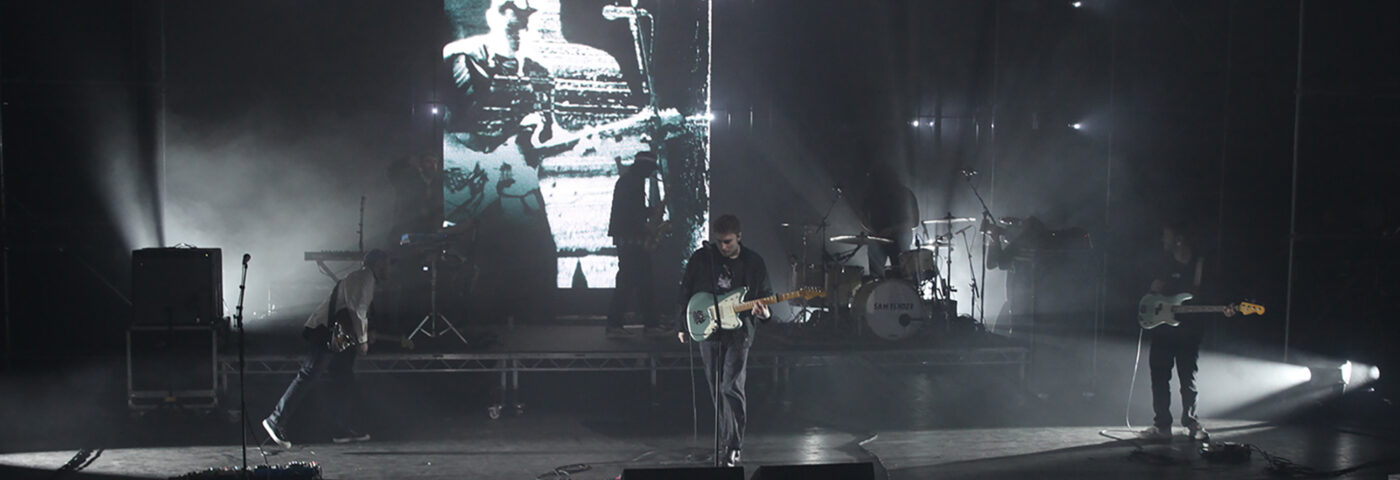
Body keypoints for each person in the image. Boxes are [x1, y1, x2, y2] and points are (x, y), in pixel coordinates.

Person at [262, 250, 390, 448]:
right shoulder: (365, 277)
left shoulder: (363, 278)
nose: (388, 268)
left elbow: (354, 309)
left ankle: (341, 429)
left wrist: (362, 334)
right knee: (309, 374)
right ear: (378, 263)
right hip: (327, 332)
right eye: (386, 263)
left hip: (336, 335)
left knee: (342, 378)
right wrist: (363, 339)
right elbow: (357, 309)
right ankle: (275, 420)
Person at [676, 214, 772, 467]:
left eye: (728, 242)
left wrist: (764, 312)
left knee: (731, 386)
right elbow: (685, 291)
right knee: (715, 387)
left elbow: (766, 296)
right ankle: (725, 441)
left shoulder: (754, 263)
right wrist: (682, 325)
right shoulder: (702, 258)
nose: (723, 247)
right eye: (719, 242)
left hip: (740, 333)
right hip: (709, 330)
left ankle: (733, 445)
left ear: (739, 237)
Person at [1139, 222, 1233, 442]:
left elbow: (1214, 293)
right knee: (1160, 377)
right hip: (1162, 331)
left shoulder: (1201, 266)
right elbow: (1151, 295)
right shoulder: (1162, 263)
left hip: (1190, 331)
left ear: (1179, 239)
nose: (1163, 240)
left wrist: (1226, 308)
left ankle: (1190, 421)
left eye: (1167, 236)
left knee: (1187, 379)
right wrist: (1152, 297)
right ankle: (1162, 425)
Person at [606, 151, 666, 337]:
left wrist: (650, 212)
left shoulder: (631, 180)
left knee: (641, 282)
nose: (650, 174)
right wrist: (648, 224)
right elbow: (630, 214)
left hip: (631, 239)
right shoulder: (631, 183)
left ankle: (650, 324)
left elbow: (633, 211)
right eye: (649, 170)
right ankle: (618, 326)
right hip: (632, 240)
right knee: (630, 282)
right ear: (644, 167)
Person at [858, 164, 919, 278]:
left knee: (901, 275)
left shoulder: (905, 194)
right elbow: (862, 217)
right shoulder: (871, 194)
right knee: (876, 277)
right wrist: (874, 233)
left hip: (899, 241)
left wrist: (892, 230)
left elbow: (914, 222)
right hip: (877, 240)